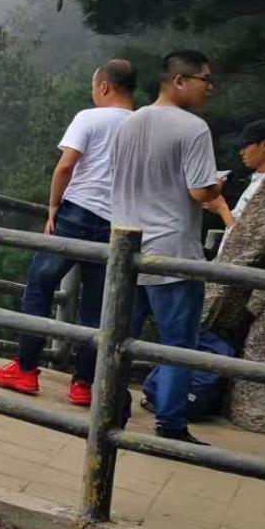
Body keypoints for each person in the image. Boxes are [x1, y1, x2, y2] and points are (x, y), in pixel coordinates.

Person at [0, 59, 138, 406]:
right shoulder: (142, 125)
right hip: (117, 225)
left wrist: (54, 206)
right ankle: (83, 385)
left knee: (40, 285)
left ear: (104, 87)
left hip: (77, 213)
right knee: (96, 307)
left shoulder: (89, 117)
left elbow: (66, 166)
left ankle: (26, 369)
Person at [109, 51, 223, 444]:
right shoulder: (193, 128)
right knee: (178, 344)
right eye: (205, 79)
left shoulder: (128, 123)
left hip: (126, 251)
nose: (210, 87)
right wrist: (217, 185)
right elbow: (200, 191)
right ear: (179, 80)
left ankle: (111, 412)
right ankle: (171, 425)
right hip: (172, 252)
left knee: (118, 339)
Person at [229, 120, 265, 221]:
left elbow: (245, 227)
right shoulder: (257, 178)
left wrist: (220, 206)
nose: (241, 152)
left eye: (246, 146)